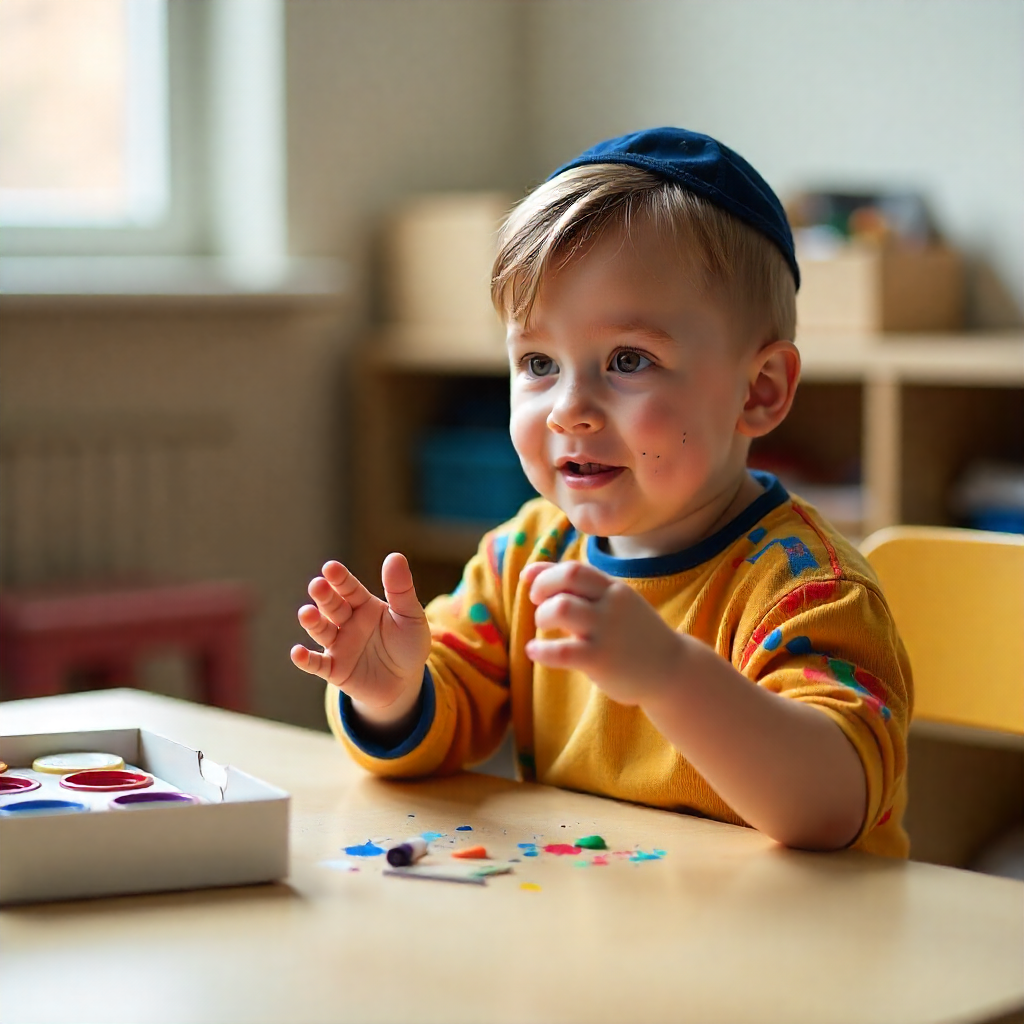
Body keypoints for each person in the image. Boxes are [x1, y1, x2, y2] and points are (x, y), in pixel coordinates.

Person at [291, 127, 911, 856]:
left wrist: (671, 675)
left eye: (627, 359)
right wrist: (394, 694)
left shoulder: (808, 590)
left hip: (798, 955)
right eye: (539, 362)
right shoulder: (527, 553)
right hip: (603, 948)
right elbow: (445, 717)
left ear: (760, 390)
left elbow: (829, 803)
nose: (568, 408)